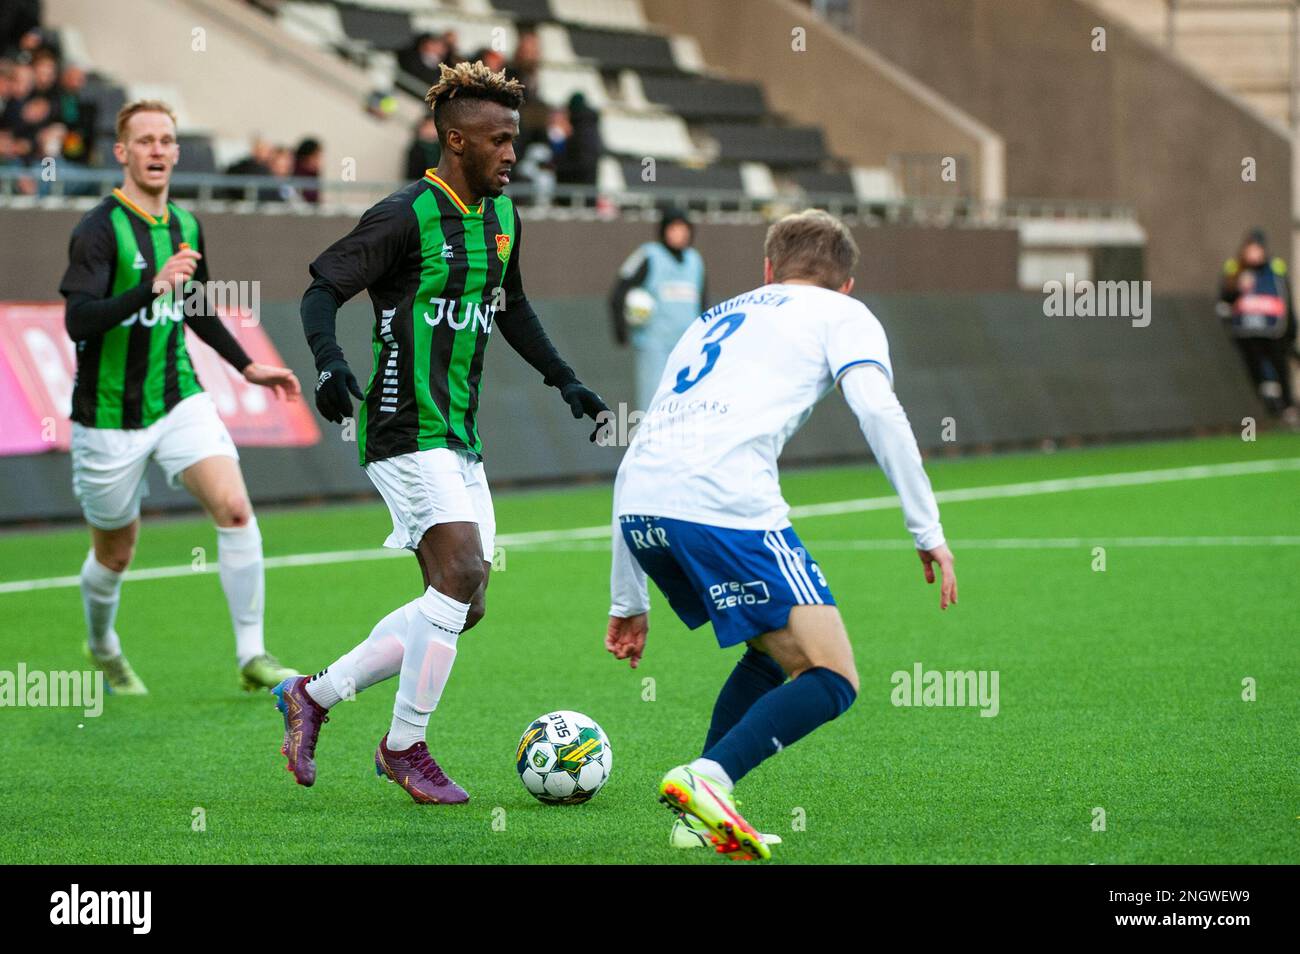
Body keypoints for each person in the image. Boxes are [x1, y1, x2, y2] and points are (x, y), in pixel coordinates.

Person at [274, 61, 609, 805]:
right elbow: (321, 289)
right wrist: (330, 363)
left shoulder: (502, 220)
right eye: (499, 140)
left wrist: (566, 381)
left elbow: (510, 305)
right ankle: (404, 747)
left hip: (458, 431)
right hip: (399, 421)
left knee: (466, 598)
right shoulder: (404, 215)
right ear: (456, 141)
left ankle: (314, 695)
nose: (512, 154)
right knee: (458, 576)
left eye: (515, 138)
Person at [603, 208, 958, 859]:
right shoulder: (842, 314)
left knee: (771, 652)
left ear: (769, 269)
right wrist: (926, 527)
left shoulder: (711, 318)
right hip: (724, 503)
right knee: (833, 675)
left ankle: (699, 816)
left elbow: (645, 448)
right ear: (845, 283)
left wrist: (628, 600)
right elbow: (877, 408)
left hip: (642, 507)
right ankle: (707, 777)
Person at [57, 99, 302, 695]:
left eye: (166, 140)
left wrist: (246, 365)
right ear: (121, 153)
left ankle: (252, 655)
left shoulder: (188, 226)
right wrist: (151, 286)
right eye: (144, 141)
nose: (158, 151)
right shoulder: (96, 228)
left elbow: (194, 305)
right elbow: (78, 322)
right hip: (108, 416)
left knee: (237, 511)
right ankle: (103, 645)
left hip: (178, 398)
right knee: (116, 554)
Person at [609, 208, 707, 410]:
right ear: (663, 230)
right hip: (655, 345)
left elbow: (703, 301)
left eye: (683, 228)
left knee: (685, 406)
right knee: (653, 404)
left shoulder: (695, 260)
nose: (679, 233)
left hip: (686, 346)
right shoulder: (648, 255)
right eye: (674, 228)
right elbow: (619, 291)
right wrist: (621, 329)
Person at [1220, 228, 1298, 421]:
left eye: (1257, 248)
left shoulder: (1275, 267)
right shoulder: (1235, 269)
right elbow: (1226, 299)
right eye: (1251, 248)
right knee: (1258, 371)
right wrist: (1239, 287)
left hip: (1273, 331)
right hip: (1247, 334)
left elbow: (1284, 300)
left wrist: (1291, 330)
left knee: (1280, 367)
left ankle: (1287, 408)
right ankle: (1271, 408)